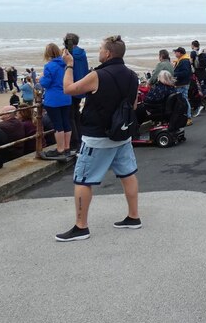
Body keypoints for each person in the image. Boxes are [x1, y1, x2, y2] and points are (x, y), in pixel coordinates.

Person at [55, 35, 140, 242]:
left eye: (101, 48)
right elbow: (134, 105)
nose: (99, 52)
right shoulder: (132, 75)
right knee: (127, 174)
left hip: (97, 136)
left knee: (83, 179)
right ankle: (133, 216)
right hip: (122, 134)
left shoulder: (98, 75)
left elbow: (69, 89)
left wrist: (69, 66)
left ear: (108, 53)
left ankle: (81, 226)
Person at [38, 43, 73, 160]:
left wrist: (41, 78)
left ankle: (60, 149)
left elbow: (45, 83)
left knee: (58, 125)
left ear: (47, 54)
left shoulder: (49, 66)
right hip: (66, 97)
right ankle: (67, 147)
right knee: (66, 122)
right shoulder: (66, 64)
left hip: (53, 99)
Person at [64, 32, 90, 150]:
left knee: (71, 115)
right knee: (75, 113)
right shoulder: (82, 53)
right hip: (81, 86)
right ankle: (80, 137)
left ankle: (75, 142)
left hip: (72, 85)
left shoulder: (70, 54)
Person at [173, 47, 193, 123]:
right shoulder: (182, 60)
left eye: (176, 52)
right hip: (182, 83)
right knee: (182, 100)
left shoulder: (184, 61)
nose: (175, 54)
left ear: (180, 53)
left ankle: (188, 117)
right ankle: (185, 116)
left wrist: (174, 74)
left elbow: (186, 72)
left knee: (184, 100)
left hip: (183, 84)